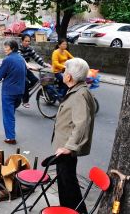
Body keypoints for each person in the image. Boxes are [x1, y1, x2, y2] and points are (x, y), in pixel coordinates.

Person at [52, 58, 96, 213]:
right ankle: (66, 210)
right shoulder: (80, 90)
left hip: (66, 150)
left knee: (69, 186)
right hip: (63, 149)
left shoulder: (80, 94)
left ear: (69, 77)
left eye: (65, 71)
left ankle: (77, 211)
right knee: (64, 184)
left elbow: (82, 123)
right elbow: (94, 108)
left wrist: (69, 147)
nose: (63, 73)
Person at [0, 40, 26, 145]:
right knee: (11, 112)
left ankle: (10, 137)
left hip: (9, 92)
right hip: (20, 91)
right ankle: (10, 132)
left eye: (6, 47)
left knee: (8, 115)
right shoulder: (21, 58)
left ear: (12, 48)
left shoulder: (8, 60)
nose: (4, 49)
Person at [18, 34, 51, 108]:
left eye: (28, 41)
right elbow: (21, 60)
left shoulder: (29, 49)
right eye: (25, 41)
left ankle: (23, 91)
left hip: (26, 69)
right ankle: (25, 101)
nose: (27, 43)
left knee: (36, 81)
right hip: (18, 69)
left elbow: (36, 57)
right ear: (22, 41)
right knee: (26, 83)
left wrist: (44, 64)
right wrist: (30, 66)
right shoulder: (18, 49)